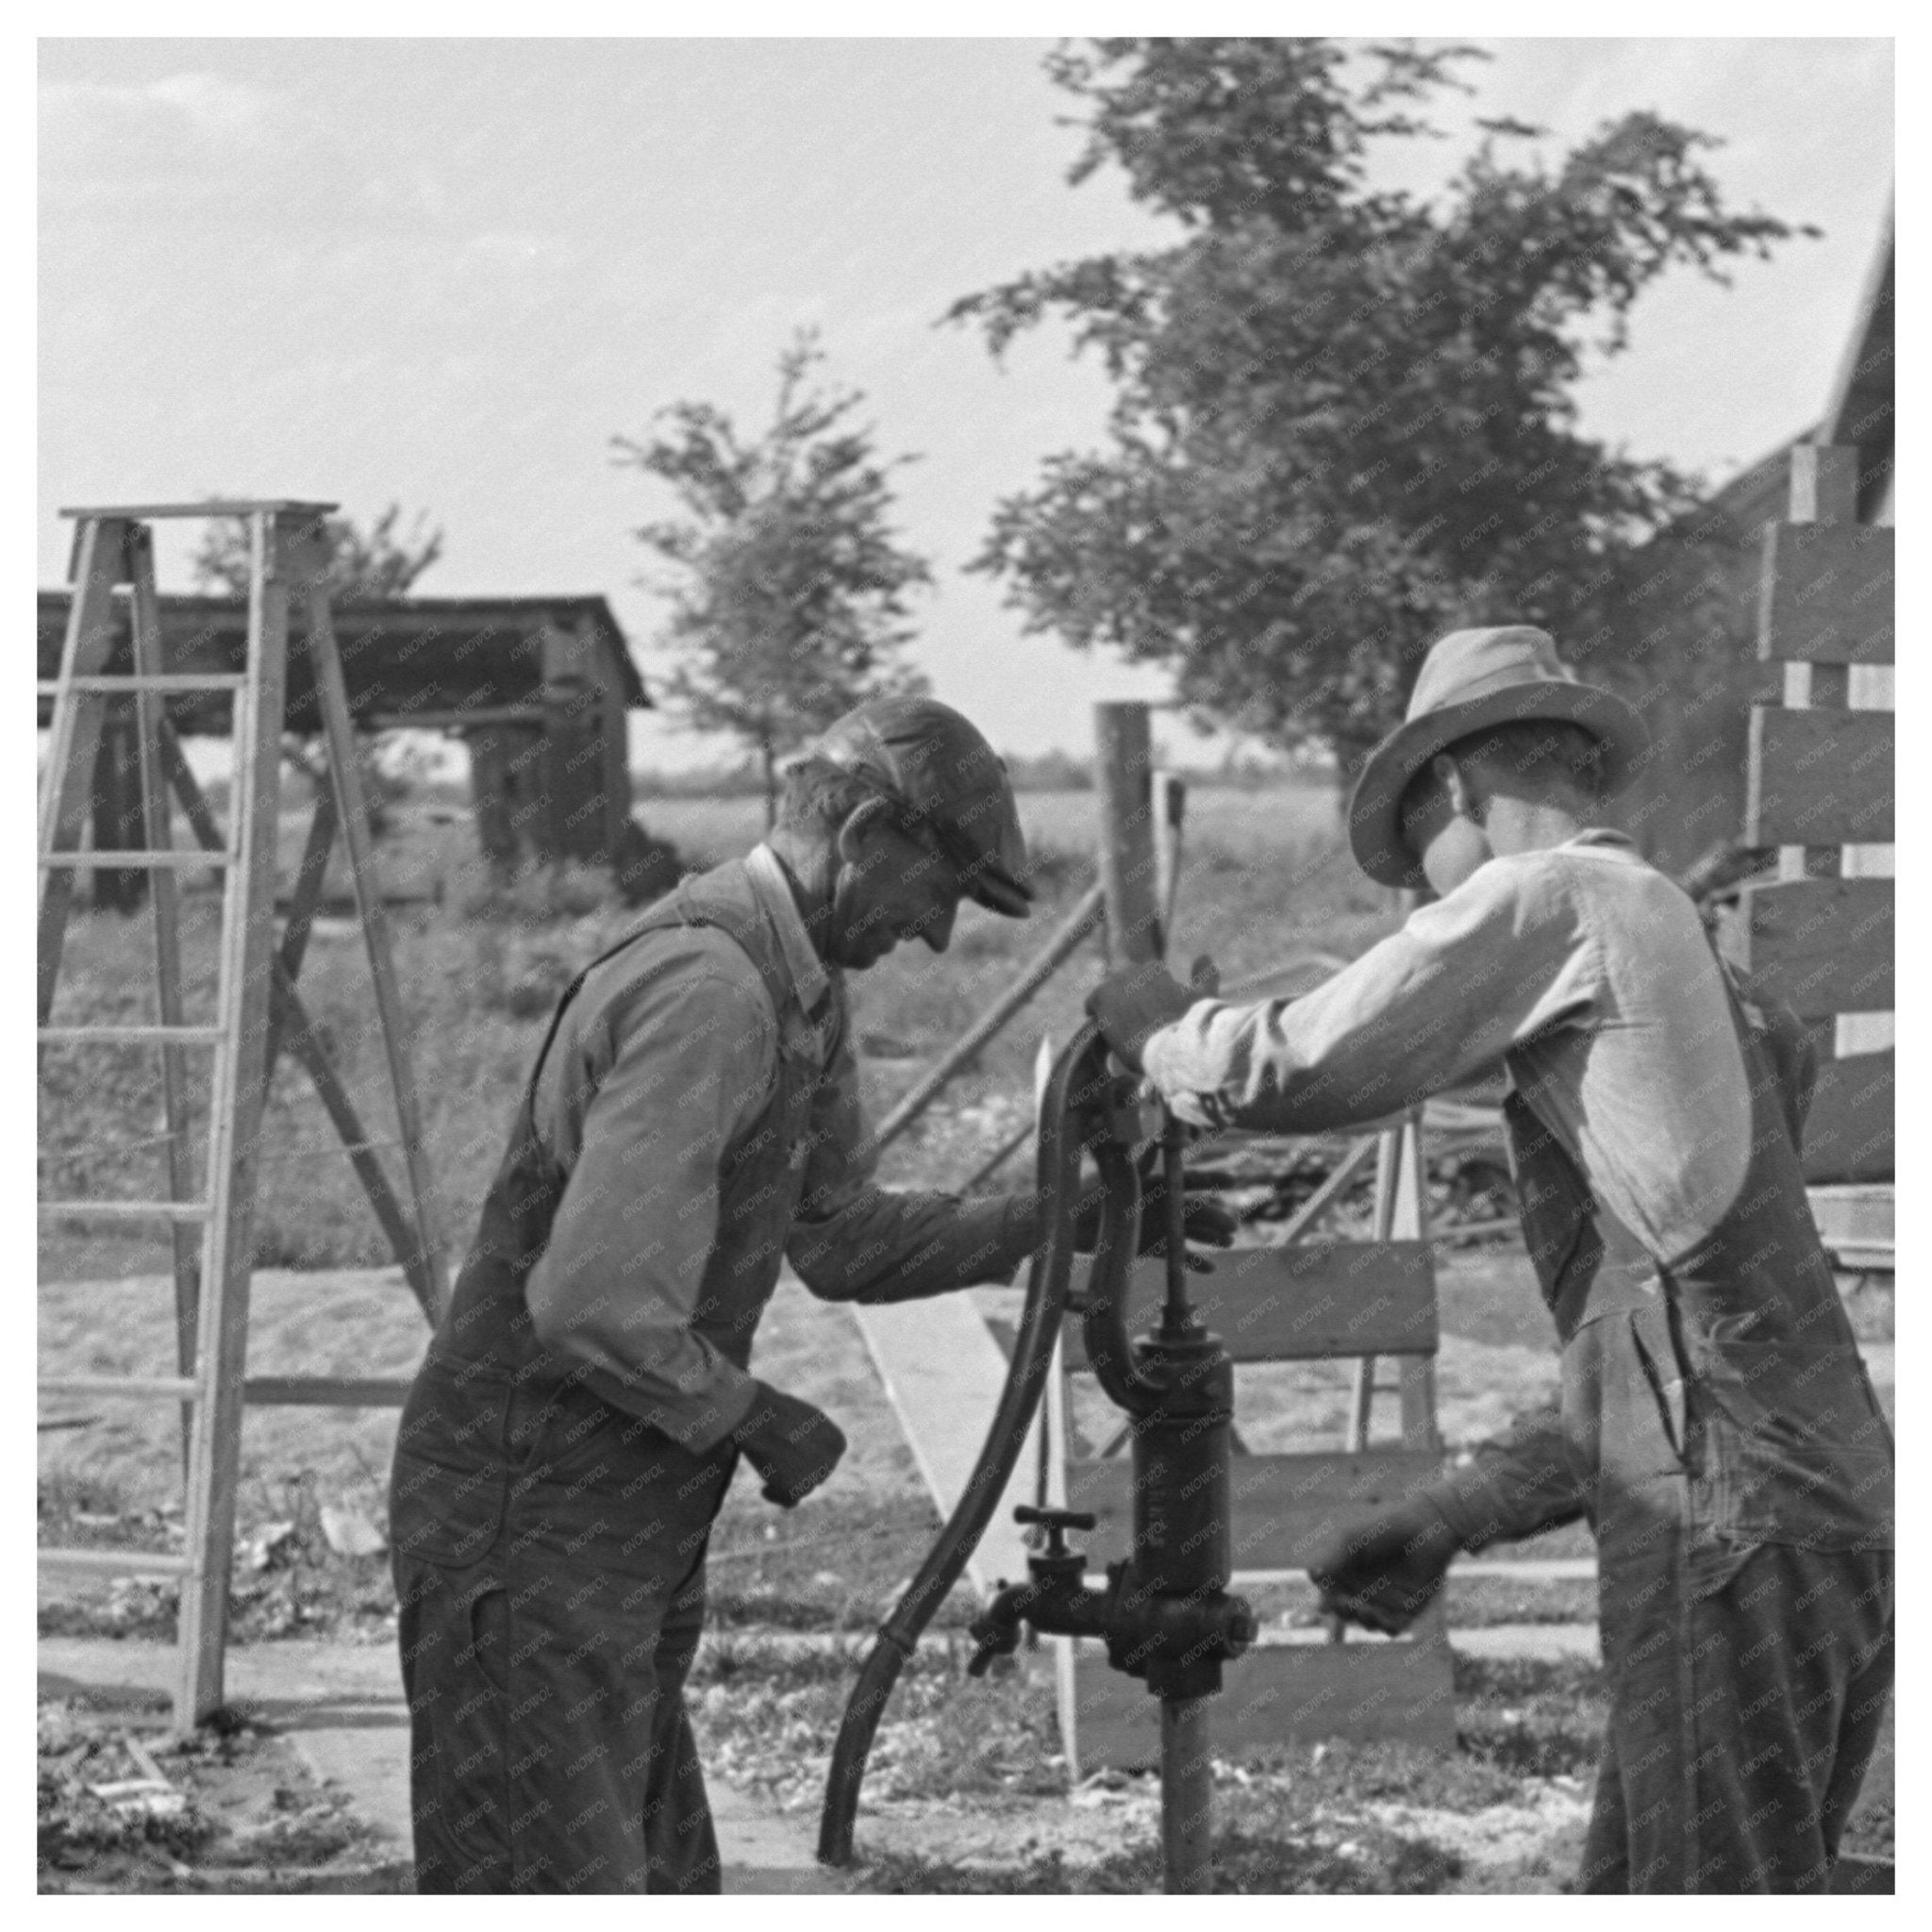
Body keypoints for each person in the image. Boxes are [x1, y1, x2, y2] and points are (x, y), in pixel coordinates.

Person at [1087, 625, 1894, 1894]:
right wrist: (1454, 1515)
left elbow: (1292, 1065)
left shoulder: (1558, 897)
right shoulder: (1712, 984)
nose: (1423, 901)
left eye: (1420, 862)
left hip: (1730, 1532)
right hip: (1818, 1522)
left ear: (1454, 788)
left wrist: (1154, 1032)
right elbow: (1667, 1340)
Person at [390, 694, 1227, 1894]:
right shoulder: (710, 992)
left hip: (618, 1526)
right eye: (940, 888)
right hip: (525, 1522)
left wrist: (1057, 1217)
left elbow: (834, 1236)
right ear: (869, 832)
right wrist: (756, 1416)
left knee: (650, 1883)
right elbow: (591, 1305)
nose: (935, 932)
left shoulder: (798, 986)